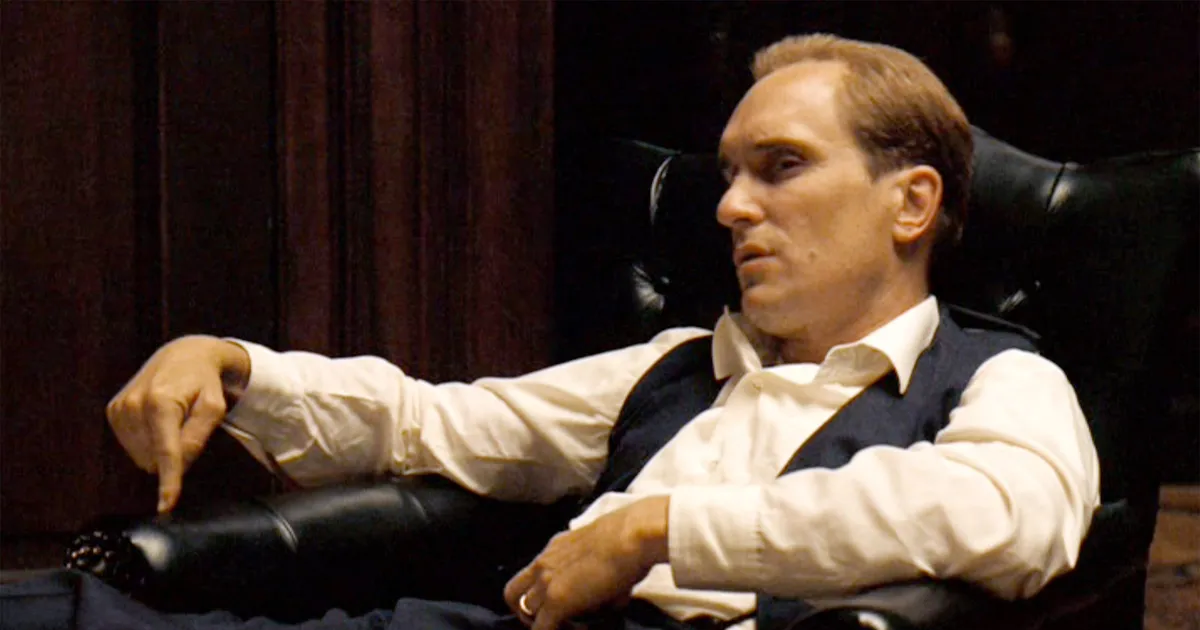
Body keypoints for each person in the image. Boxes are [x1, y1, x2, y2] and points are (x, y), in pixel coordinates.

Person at [102, 34, 1099, 630]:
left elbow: (1005, 515)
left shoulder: (996, 379)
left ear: (910, 203)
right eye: (730, 175)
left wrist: (660, 529)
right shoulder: (680, 366)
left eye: (782, 167)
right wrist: (232, 366)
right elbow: (433, 422)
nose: (730, 207)